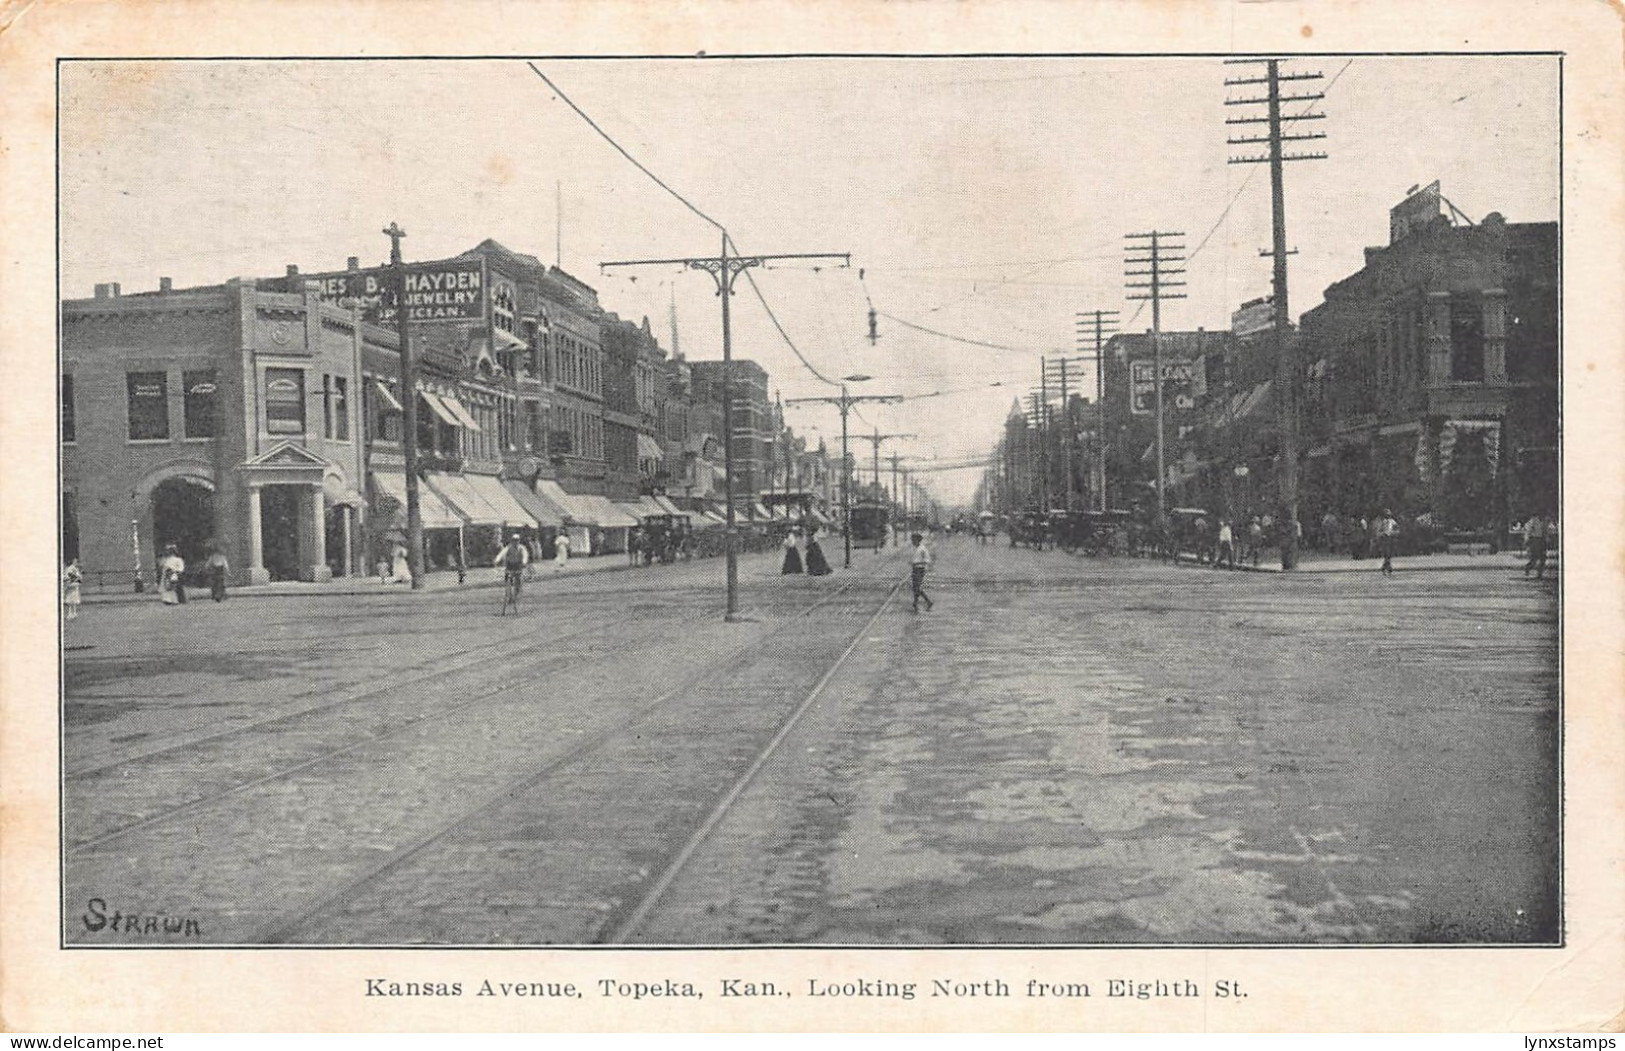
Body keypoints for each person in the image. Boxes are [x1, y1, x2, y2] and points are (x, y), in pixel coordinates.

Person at [494, 531, 529, 596]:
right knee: (508, 579)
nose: (515, 542)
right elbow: (502, 553)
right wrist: (497, 560)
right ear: (512, 541)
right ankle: (508, 592)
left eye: (517, 540)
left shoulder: (521, 548)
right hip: (510, 564)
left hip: (518, 565)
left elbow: (525, 555)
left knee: (518, 578)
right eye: (514, 540)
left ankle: (517, 592)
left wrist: (524, 562)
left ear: (519, 541)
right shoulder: (508, 547)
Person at [909, 532, 935, 612]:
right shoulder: (914, 548)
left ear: (917, 540)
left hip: (920, 569)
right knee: (915, 587)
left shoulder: (923, 549)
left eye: (913, 540)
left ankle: (925, 602)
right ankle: (917, 603)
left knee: (917, 587)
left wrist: (916, 563)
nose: (912, 541)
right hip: (915, 569)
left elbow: (927, 560)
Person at [1524, 512, 1549, 579]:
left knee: (1543, 558)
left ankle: (1540, 574)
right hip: (1535, 540)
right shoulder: (1533, 521)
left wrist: (1546, 540)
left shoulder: (1545, 521)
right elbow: (1528, 530)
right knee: (1534, 558)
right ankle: (1528, 568)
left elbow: (1546, 532)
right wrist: (1527, 540)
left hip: (1542, 540)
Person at [1375, 509, 1399, 576]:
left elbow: (1397, 530)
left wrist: (1393, 533)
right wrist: (1383, 533)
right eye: (1386, 515)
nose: (1388, 516)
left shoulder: (1393, 522)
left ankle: (1384, 568)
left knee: (1389, 555)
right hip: (1384, 540)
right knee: (1387, 554)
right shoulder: (1382, 523)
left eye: (1389, 514)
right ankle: (1388, 568)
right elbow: (1378, 532)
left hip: (1391, 539)